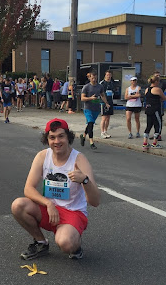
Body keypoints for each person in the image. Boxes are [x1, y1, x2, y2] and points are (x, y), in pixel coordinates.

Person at [11, 118, 101, 260]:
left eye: (61, 136)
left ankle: (75, 244)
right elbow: (28, 189)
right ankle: (41, 243)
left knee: (65, 243)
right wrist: (48, 203)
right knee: (18, 205)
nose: (57, 141)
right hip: (49, 210)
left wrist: (85, 180)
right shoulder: (42, 156)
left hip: (73, 212)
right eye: (52, 137)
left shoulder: (79, 159)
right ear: (47, 140)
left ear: (68, 137)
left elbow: (95, 201)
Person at [80, 71, 110, 149]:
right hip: (88, 108)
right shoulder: (86, 87)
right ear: (89, 78)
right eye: (92, 78)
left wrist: (106, 103)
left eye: (95, 78)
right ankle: (91, 142)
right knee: (90, 123)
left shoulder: (100, 86)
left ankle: (83, 136)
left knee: (90, 124)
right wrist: (90, 98)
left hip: (96, 109)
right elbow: (82, 98)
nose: (94, 80)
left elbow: (102, 95)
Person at [143, 75, 166, 149]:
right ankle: (155, 143)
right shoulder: (157, 89)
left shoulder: (147, 89)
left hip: (148, 109)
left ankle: (145, 142)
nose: (159, 83)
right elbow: (164, 98)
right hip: (155, 109)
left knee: (149, 125)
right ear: (156, 82)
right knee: (158, 125)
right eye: (158, 81)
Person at [99, 70, 116, 138]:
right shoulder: (102, 83)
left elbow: (113, 92)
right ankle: (102, 132)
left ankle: (105, 131)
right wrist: (105, 102)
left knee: (108, 117)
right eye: (107, 75)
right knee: (104, 117)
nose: (108, 76)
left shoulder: (112, 83)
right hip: (103, 102)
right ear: (105, 75)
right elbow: (101, 94)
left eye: (110, 75)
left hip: (110, 101)